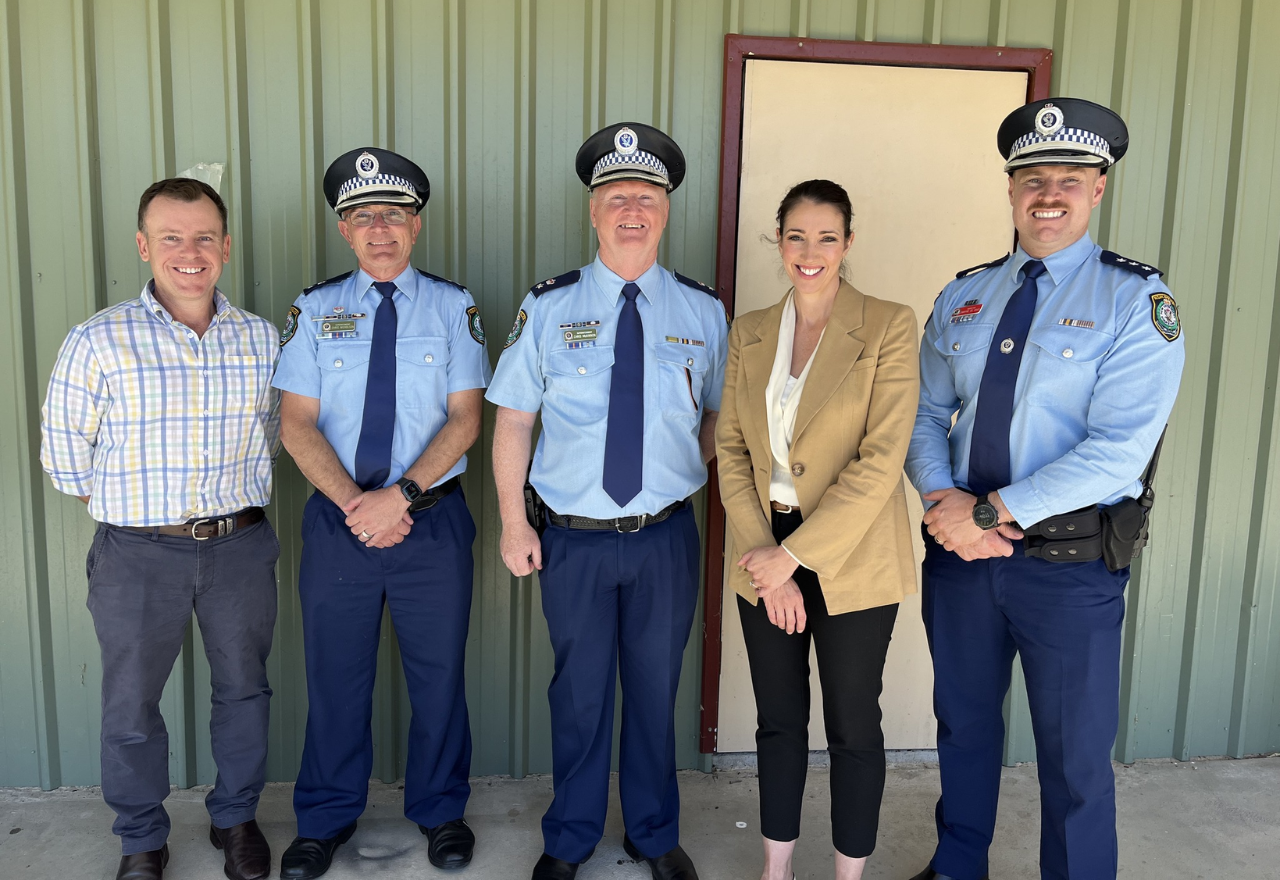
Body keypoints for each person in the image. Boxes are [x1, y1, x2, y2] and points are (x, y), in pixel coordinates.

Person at [903, 98, 1186, 880]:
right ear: (1010, 189)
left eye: (1069, 179)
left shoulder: (1134, 300)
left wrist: (988, 511)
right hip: (961, 558)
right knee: (962, 728)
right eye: (1033, 179)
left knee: (1075, 756)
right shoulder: (965, 295)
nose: (1049, 195)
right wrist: (942, 502)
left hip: (1067, 568)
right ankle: (958, 865)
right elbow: (922, 415)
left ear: (1098, 188)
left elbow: (1118, 451)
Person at [487, 122, 728, 880]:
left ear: (666, 210)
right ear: (593, 212)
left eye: (646, 197)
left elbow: (721, 418)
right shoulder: (549, 306)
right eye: (617, 196)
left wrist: (679, 468)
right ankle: (570, 837)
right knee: (580, 695)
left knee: (656, 692)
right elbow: (513, 421)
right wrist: (514, 522)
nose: (632, 209)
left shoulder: (702, 312)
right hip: (574, 540)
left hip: (664, 537)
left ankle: (654, 835)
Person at [39, 177, 281, 880]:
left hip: (239, 546)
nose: (189, 252)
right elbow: (64, 453)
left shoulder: (261, 338)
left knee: (244, 690)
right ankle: (142, 837)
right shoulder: (98, 339)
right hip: (137, 553)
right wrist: (134, 508)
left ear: (225, 246)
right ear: (144, 246)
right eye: (171, 237)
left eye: (204, 237)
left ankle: (235, 819)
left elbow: (273, 435)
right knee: (131, 703)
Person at [272, 147, 491, 878]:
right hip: (340, 525)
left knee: (439, 678)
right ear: (345, 230)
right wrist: (356, 505)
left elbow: (466, 419)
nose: (378, 229)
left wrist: (399, 498)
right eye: (362, 216)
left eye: (393, 215)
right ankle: (325, 818)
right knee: (336, 679)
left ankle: (441, 810)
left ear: (415, 225)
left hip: (432, 521)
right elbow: (296, 423)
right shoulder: (314, 310)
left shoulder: (453, 307)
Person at [716, 179, 920, 880]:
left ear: (848, 243)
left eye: (827, 237)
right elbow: (732, 449)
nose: (811, 252)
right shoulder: (749, 331)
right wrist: (765, 556)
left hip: (853, 553)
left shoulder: (888, 325)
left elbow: (882, 459)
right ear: (779, 241)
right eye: (796, 236)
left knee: (853, 725)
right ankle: (776, 870)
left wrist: (796, 557)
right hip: (760, 546)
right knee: (778, 721)